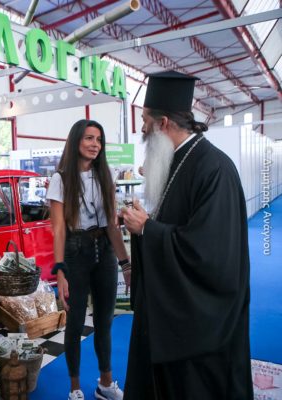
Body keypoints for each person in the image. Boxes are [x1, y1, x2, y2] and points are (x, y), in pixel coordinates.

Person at [121, 71, 252, 399]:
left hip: (199, 331)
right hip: (170, 316)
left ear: (163, 123)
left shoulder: (214, 168)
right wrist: (148, 223)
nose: (142, 130)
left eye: (145, 122)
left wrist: (147, 228)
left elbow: (209, 252)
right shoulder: (178, 160)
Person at [47, 119, 130, 400]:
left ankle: (105, 384)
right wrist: (60, 271)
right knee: (75, 322)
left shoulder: (105, 174)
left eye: (99, 139)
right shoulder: (60, 179)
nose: (96, 144)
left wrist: (125, 264)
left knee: (105, 321)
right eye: (89, 138)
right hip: (75, 253)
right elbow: (59, 229)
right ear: (76, 141)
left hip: (104, 251)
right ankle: (75, 388)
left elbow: (112, 226)